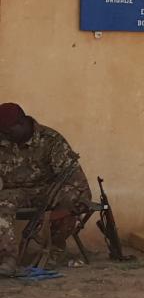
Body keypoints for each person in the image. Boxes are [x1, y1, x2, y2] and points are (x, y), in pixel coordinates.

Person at [0, 103, 92, 276]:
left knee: (71, 196)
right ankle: (7, 259)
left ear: (22, 123)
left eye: (7, 131)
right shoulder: (3, 137)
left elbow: (77, 183)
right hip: (13, 192)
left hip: (47, 191)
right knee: (2, 200)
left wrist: (52, 216)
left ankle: (52, 249)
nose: (4, 136)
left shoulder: (50, 140)